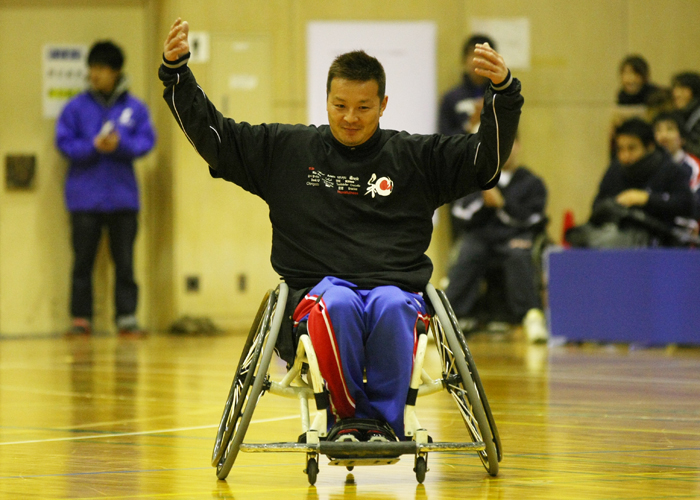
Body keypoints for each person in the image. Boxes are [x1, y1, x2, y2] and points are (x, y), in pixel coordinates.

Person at [160, 18, 522, 441]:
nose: (350, 117)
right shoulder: (287, 151)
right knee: (340, 305)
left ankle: (388, 424)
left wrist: (503, 94)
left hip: (394, 288)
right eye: (340, 105)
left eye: (364, 107)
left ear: (383, 104)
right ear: (327, 99)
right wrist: (177, 74)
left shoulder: (416, 158)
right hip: (316, 293)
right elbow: (216, 138)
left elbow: (485, 161)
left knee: (391, 306)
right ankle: (348, 420)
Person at [56, 41, 156, 336]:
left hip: (123, 199)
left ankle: (126, 317)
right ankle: (80, 319)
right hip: (84, 199)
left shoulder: (134, 108)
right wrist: (92, 146)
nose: (94, 74)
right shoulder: (75, 108)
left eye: (101, 68)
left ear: (116, 72)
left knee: (125, 263)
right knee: (82, 263)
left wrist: (120, 145)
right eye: (92, 68)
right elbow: (63, 143)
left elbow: (146, 142)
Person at [445, 135, 549, 343]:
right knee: (468, 253)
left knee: (518, 254)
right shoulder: (477, 180)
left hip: (514, 238)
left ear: (518, 145)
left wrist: (502, 204)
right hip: (481, 238)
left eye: (509, 145)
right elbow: (461, 214)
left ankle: (531, 316)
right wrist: (485, 202)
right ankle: (448, 318)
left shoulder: (533, 182)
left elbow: (534, 218)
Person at [567, 118, 694, 248]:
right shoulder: (615, 170)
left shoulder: (671, 170)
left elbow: (686, 205)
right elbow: (596, 207)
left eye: (632, 148)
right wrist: (616, 204)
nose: (625, 156)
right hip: (617, 239)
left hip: (661, 245)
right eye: (621, 149)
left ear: (650, 146)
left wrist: (646, 199)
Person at [438, 34, 497, 136]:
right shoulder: (451, 98)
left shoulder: (499, 97)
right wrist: (470, 124)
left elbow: (513, 139)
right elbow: (443, 141)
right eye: (473, 54)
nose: (478, 61)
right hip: (462, 151)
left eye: (483, 55)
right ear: (464, 59)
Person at [671, 71, 700, 159]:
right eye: (675, 88)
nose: (676, 94)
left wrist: (680, 143)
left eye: (682, 89)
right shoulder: (678, 114)